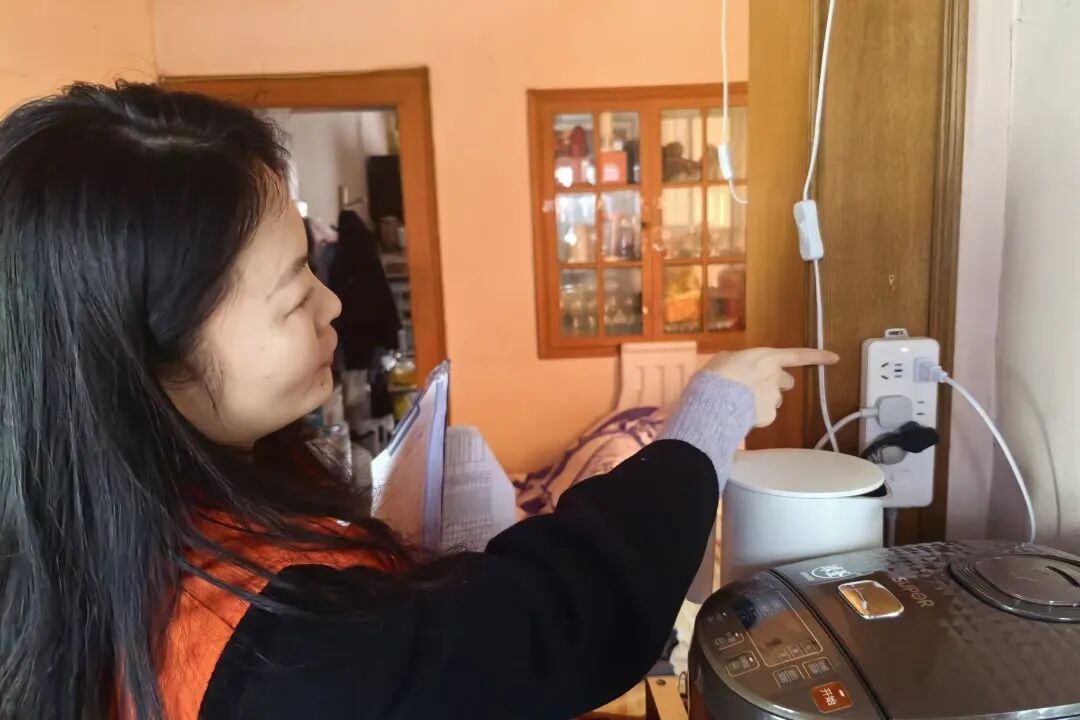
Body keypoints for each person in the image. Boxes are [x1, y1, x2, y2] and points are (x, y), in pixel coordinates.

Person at [0, 82, 837, 720]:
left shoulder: (96, 530)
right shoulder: (271, 654)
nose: (333, 305)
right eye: (292, 296)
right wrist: (706, 421)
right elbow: (549, 623)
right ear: (146, 358)